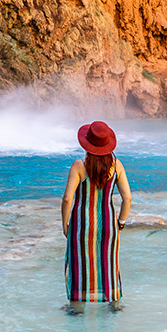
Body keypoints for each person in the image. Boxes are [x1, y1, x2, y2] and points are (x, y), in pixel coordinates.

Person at [61, 120, 132, 313]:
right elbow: (127, 198)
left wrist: (65, 224)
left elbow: (67, 199)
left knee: (79, 263)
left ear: (87, 143)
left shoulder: (79, 166)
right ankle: (114, 305)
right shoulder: (116, 166)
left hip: (81, 225)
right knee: (109, 263)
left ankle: (77, 307)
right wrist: (121, 223)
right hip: (108, 225)